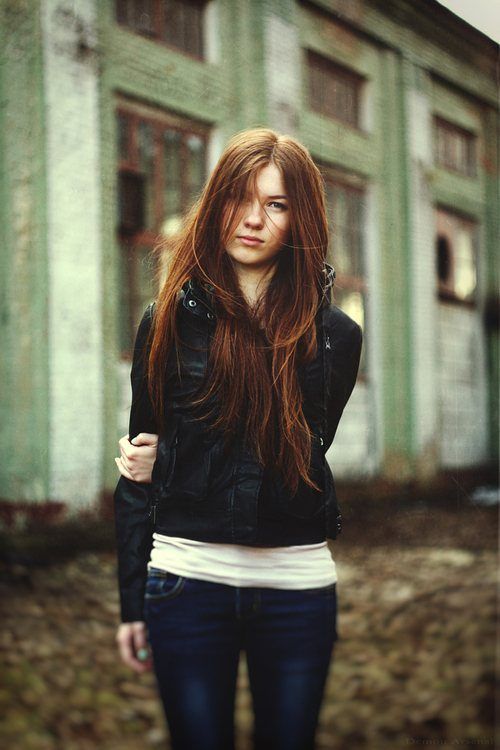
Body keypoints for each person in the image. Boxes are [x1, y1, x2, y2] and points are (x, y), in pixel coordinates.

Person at [113, 127, 362, 750]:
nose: (253, 219)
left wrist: (167, 458)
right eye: (239, 197)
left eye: (276, 204)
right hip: (183, 578)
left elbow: (297, 459)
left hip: (297, 586)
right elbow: (135, 462)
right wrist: (131, 598)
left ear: (300, 217)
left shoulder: (336, 336)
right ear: (216, 201)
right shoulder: (165, 322)